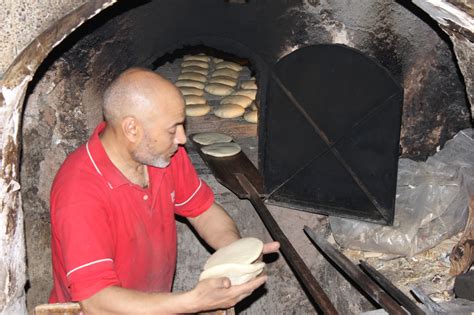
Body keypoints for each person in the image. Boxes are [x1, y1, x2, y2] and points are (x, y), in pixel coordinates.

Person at [49, 67, 280, 314]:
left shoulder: (163, 156)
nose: (182, 138)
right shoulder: (80, 192)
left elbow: (203, 212)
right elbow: (96, 302)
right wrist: (195, 302)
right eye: (173, 129)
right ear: (132, 129)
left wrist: (236, 253)